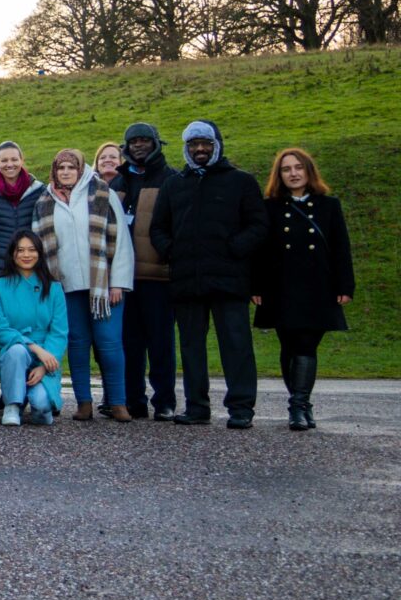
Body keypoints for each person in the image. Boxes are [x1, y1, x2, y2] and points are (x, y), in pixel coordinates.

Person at [151, 120, 269, 428]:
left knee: (236, 344)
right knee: (191, 346)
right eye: (194, 145)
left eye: (205, 144)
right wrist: (171, 250)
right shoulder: (175, 184)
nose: (200, 149)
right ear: (186, 148)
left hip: (230, 279)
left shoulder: (240, 181)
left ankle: (241, 407)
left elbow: (259, 225)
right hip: (188, 280)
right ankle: (197, 406)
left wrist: (235, 247)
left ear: (216, 145)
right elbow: (158, 227)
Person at [254, 147, 353, 431]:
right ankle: (301, 404)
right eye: (286, 169)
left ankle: (298, 405)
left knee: (307, 344)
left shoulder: (328, 205)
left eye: (298, 168)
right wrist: (256, 285)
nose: (293, 173)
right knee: (288, 346)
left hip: (318, 287)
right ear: (279, 175)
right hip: (280, 287)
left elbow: (340, 248)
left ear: (309, 171)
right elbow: (260, 251)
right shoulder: (270, 207)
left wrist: (345, 285)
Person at [32, 148, 134, 422]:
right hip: (66, 287)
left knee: (109, 343)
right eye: (61, 168)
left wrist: (119, 283)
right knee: (77, 344)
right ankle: (83, 403)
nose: (66, 172)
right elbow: (39, 246)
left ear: (80, 169)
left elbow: (121, 240)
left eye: (71, 168)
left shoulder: (102, 193)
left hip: (103, 286)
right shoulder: (45, 201)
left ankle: (118, 402)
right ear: (55, 171)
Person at [109, 122, 177, 420]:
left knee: (161, 342)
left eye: (144, 140)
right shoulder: (117, 183)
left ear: (156, 144)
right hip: (124, 278)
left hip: (159, 275)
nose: (138, 146)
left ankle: (165, 401)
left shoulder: (171, 179)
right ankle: (134, 400)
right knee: (129, 344)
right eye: (133, 141)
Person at [0, 232, 66, 427]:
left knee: (41, 407)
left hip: (45, 357)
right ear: (12, 254)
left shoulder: (54, 289)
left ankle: (36, 400)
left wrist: (43, 365)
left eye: (32, 250)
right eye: (20, 250)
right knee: (17, 350)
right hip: (11, 354)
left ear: (39, 254)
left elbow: (59, 332)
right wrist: (34, 347)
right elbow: (0, 330)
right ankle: (12, 405)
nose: (26, 255)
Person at [0, 141, 45, 282]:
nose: (9, 164)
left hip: (32, 268)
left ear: (22, 160)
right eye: (4, 160)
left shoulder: (39, 191)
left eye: (14, 159)